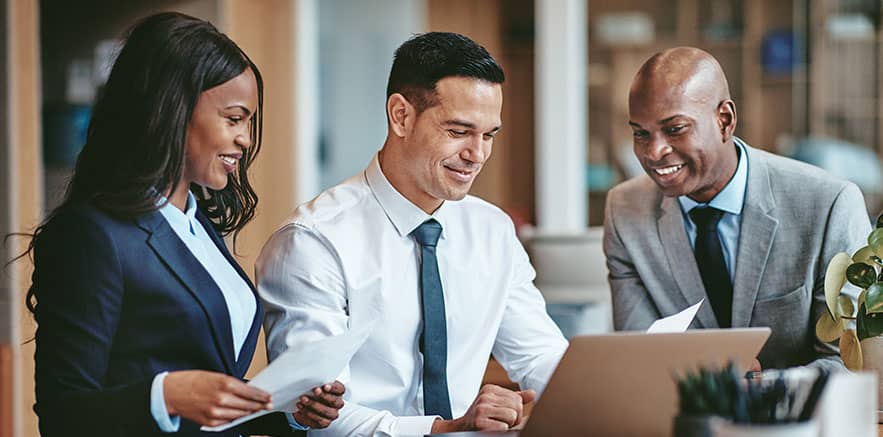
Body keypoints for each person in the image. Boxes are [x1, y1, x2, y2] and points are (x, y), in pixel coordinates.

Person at [25, 12, 343, 436]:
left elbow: (208, 389)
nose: (245, 139)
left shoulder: (197, 226)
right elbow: (64, 412)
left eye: (248, 122)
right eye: (233, 119)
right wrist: (166, 395)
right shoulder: (92, 235)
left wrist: (286, 407)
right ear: (172, 110)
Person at [256, 32, 568, 436]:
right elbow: (319, 420)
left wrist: (596, 396)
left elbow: (539, 355)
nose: (477, 154)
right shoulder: (313, 241)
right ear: (401, 115)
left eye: (488, 135)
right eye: (458, 132)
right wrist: (448, 428)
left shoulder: (493, 231)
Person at [604, 46, 871, 370]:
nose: (654, 151)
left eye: (675, 129)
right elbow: (640, 357)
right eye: (640, 134)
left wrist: (757, 392)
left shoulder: (829, 205)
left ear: (725, 121)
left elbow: (848, 364)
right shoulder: (624, 211)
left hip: (798, 419)